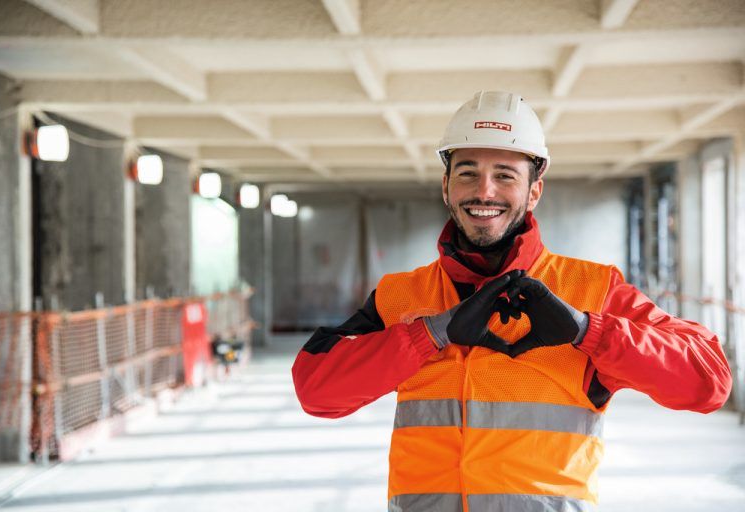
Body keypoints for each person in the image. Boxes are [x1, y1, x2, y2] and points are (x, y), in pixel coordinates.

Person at [291, 91, 732, 512]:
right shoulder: (402, 296)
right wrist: (430, 334)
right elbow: (316, 390)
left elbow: (708, 381)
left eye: (505, 174)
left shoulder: (594, 290)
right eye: (467, 172)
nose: (484, 191)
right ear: (446, 186)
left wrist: (587, 330)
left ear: (534, 190)